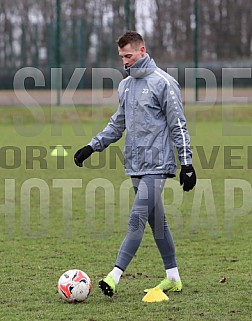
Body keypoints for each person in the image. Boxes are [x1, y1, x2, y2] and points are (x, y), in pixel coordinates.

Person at [74, 31, 196, 297]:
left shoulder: (164, 83)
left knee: (136, 218)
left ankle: (114, 276)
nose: (125, 61)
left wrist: (186, 163)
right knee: (158, 223)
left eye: (128, 56)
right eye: (121, 57)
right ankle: (173, 277)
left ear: (142, 50)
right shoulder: (126, 86)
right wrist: (92, 146)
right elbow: (118, 124)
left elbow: (178, 126)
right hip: (135, 166)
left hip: (157, 165)